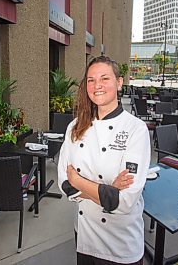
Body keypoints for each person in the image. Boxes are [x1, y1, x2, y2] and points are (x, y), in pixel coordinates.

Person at [57, 56, 151, 264]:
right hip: (84, 234)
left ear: (119, 82)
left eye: (104, 78)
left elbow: (124, 201)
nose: (97, 85)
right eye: (91, 80)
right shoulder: (74, 127)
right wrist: (108, 190)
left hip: (120, 243)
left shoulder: (135, 129)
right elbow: (64, 184)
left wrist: (80, 182)